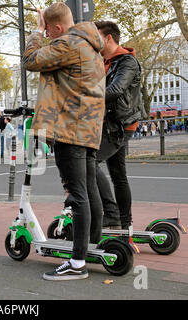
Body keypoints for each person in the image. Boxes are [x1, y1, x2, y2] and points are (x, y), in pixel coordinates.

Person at [23, 2, 105, 280]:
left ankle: (77, 263)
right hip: (88, 129)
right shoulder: (89, 45)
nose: (46, 34)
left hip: (69, 129)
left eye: (47, 29)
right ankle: (89, 245)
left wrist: (35, 32)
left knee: (77, 194)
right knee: (88, 190)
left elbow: (31, 61)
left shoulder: (68, 43)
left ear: (57, 27)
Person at [94, 21, 144, 230]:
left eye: (96, 37)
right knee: (118, 176)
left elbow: (115, 90)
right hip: (109, 124)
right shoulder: (104, 61)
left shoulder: (127, 62)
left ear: (108, 38)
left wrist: (83, 97)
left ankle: (112, 213)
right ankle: (125, 224)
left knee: (89, 161)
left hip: (121, 125)